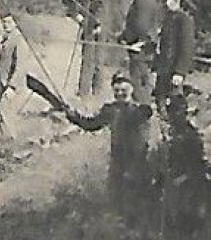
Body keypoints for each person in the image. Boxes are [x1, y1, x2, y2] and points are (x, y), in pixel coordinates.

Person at [58, 73, 154, 213]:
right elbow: (90, 124)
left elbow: (147, 111)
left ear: (132, 89)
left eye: (124, 90)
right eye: (116, 91)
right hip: (118, 158)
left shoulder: (141, 110)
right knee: (116, 196)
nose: (120, 94)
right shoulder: (110, 110)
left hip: (137, 158)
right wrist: (74, 117)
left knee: (137, 195)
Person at [158, 86, 211, 240]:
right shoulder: (174, 134)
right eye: (170, 113)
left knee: (188, 231)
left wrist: (182, 179)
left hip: (190, 193)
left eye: (176, 113)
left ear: (183, 113)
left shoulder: (191, 136)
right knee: (173, 230)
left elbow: (198, 166)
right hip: (174, 191)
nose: (172, 117)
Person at [120, 0, 162, 91]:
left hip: (141, 48)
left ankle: (144, 107)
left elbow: (141, 26)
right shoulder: (141, 0)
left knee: (138, 85)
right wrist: (123, 37)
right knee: (138, 82)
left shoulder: (144, 1)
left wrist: (133, 41)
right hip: (138, 47)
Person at [153, 0, 198, 102]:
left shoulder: (184, 20)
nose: (169, 2)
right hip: (164, 68)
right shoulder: (168, 18)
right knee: (160, 99)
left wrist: (180, 71)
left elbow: (187, 47)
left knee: (175, 103)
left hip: (174, 68)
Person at [0, 11, 21, 138]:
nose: (5, 25)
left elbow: (20, 66)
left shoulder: (18, 39)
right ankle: (4, 138)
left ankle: (11, 139)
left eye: (8, 22)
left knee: (5, 110)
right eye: (4, 22)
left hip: (10, 84)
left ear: (15, 23)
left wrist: (12, 86)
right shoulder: (6, 39)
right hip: (0, 81)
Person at [74, 0, 107, 97]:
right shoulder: (87, 1)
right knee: (87, 62)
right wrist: (79, 18)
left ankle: (97, 91)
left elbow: (102, 19)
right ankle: (83, 90)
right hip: (88, 35)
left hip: (98, 37)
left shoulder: (101, 3)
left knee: (97, 64)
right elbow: (78, 11)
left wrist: (99, 26)